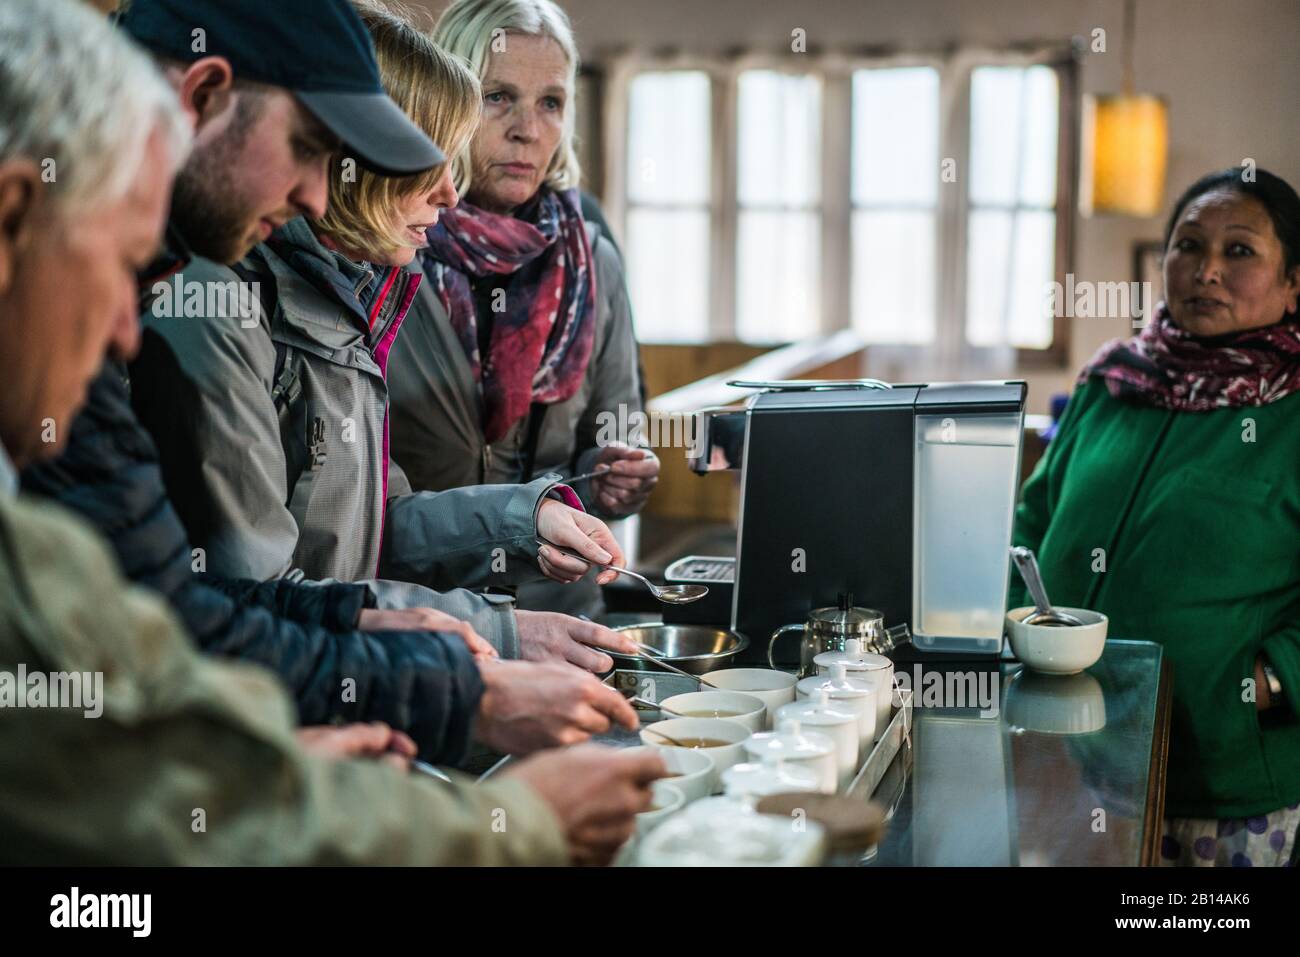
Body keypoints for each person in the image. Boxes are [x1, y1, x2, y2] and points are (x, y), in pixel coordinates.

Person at [0, 0, 664, 866]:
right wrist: (489, 777)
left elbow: (166, 658)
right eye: (318, 148)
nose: (132, 329)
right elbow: (145, 765)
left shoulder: (355, 307)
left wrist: (366, 644)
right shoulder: (219, 302)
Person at [1010, 167, 1300, 867]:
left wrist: (1273, 678)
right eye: (1188, 245)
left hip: (1222, 783)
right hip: (1069, 753)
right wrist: (1019, 619)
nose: (1206, 271)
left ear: (1294, 282)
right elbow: (1031, 515)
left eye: (1239, 251)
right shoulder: (1114, 383)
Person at [386, 0, 658, 618]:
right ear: (446, 100)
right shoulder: (391, 246)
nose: (527, 129)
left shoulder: (593, 261)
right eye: (497, 97)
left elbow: (617, 430)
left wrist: (613, 473)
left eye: (551, 103)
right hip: (420, 614)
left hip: (563, 615)